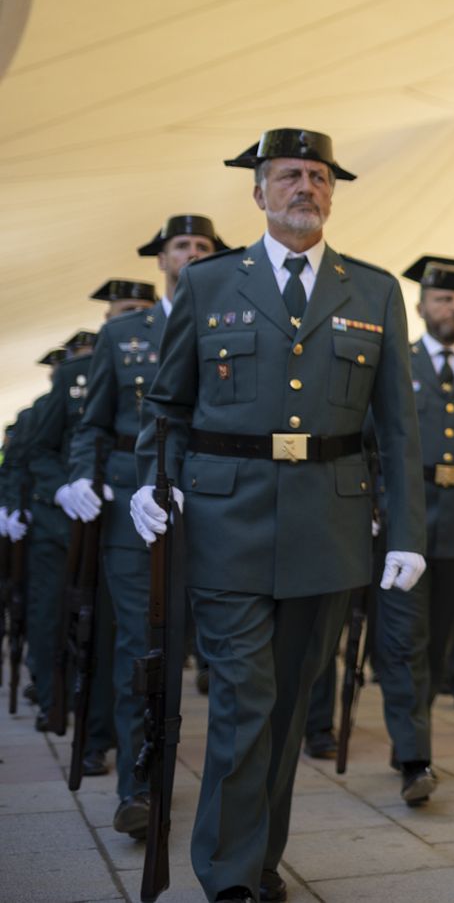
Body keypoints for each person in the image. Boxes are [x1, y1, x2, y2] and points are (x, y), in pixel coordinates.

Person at [129, 128, 428, 903]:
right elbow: (166, 405)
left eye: (320, 176)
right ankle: (228, 873)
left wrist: (408, 534)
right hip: (229, 520)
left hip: (328, 526)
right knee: (242, 697)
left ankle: (262, 859)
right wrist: (148, 481)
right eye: (289, 175)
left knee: (292, 706)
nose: (306, 187)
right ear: (258, 192)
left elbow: (397, 427)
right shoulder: (208, 285)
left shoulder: (374, 290)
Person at [64, 217, 224, 837]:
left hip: (212, 505)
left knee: (214, 653)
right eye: (181, 245)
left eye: (203, 247)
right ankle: (141, 784)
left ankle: (224, 789)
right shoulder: (124, 333)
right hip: (138, 510)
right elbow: (93, 424)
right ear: (161, 259)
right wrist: (82, 475)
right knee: (142, 646)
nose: (191, 254)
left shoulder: (232, 318)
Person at [354, 254, 454, 806]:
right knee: (403, 639)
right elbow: (363, 442)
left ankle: (412, 735)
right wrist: (367, 504)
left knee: (442, 641)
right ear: (421, 305)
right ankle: (415, 756)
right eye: (442, 299)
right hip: (404, 517)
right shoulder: (398, 362)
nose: (453, 308)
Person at [15, 327, 101, 736]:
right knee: (49, 614)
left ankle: (100, 718)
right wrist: (56, 492)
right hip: (53, 524)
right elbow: (29, 456)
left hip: (105, 525)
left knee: (101, 625)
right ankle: (51, 700)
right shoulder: (48, 404)